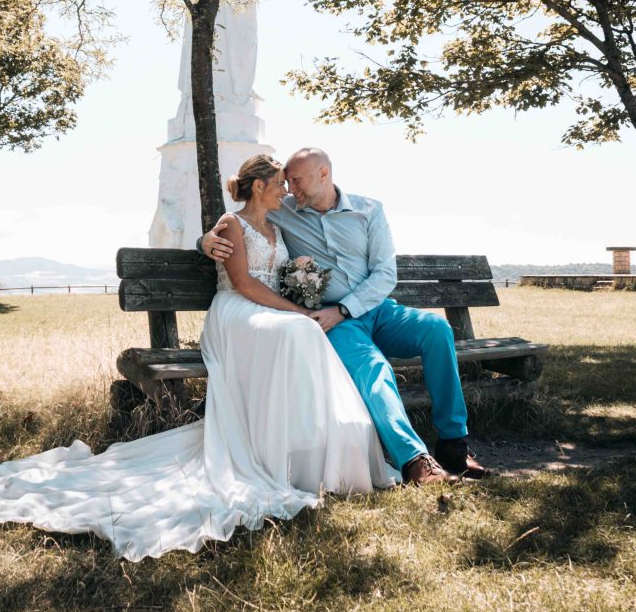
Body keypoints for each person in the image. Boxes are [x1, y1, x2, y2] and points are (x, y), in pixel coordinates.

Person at [0, 155, 399, 559]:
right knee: (298, 330)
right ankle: (273, 455)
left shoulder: (277, 224)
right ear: (258, 186)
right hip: (237, 312)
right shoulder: (231, 225)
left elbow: (283, 274)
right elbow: (245, 285)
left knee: (301, 333)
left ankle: (311, 449)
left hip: (269, 313)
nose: (286, 193)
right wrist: (297, 310)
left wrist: (299, 303)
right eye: (278, 186)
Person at [199, 147, 490, 483]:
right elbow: (242, 219)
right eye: (287, 181)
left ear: (324, 174)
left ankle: (454, 444)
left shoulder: (369, 211)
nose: (291, 188)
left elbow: (384, 274)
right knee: (373, 368)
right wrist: (203, 240)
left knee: (437, 329)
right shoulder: (285, 210)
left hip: (375, 310)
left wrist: (344, 308)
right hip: (333, 321)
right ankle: (414, 460)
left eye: (297, 180)